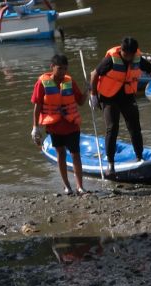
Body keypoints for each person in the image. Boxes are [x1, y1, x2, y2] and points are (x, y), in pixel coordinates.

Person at [89, 37, 151, 179]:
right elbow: (94, 74)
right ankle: (110, 164)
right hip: (108, 97)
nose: (127, 57)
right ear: (121, 51)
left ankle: (139, 157)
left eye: (130, 54)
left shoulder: (137, 59)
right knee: (112, 127)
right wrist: (93, 95)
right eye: (125, 53)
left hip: (127, 96)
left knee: (135, 127)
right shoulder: (111, 60)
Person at [31, 53, 86, 196]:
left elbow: (80, 101)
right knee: (60, 154)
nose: (62, 72)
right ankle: (67, 186)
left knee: (76, 154)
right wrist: (35, 127)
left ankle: (80, 187)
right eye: (59, 69)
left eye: (65, 69)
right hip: (54, 126)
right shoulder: (42, 83)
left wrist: (88, 90)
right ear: (52, 67)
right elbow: (37, 106)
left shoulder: (70, 81)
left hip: (71, 124)